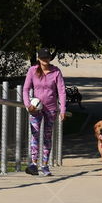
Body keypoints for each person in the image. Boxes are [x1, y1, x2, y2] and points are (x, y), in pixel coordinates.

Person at [22, 48, 66, 176]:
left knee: (47, 136)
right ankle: (34, 164)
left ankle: (45, 165)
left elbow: (62, 91)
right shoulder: (32, 70)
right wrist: (28, 105)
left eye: (47, 58)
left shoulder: (56, 71)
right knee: (35, 135)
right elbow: (25, 89)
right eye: (42, 58)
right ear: (38, 59)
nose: (45, 60)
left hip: (51, 109)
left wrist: (62, 109)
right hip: (36, 109)